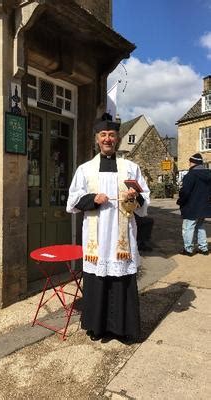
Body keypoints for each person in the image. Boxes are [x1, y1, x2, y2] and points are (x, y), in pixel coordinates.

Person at [66, 114, 150, 342]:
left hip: (122, 236)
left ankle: (124, 329)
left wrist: (136, 196)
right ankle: (97, 327)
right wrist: (93, 198)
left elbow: (145, 203)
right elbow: (72, 202)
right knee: (97, 279)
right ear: (96, 139)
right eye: (103, 135)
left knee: (121, 280)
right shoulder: (85, 169)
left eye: (112, 135)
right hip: (97, 238)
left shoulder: (131, 168)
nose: (107, 139)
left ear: (118, 139)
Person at [177, 153, 211, 256]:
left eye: (190, 162)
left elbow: (185, 192)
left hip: (191, 207)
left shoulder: (190, 175)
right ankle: (203, 248)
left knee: (188, 227)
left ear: (193, 162)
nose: (189, 164)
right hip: (203, 206)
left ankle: (188, 249)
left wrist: (180, 201)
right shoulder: (209, 174)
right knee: (200, 226)